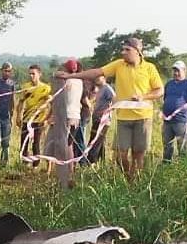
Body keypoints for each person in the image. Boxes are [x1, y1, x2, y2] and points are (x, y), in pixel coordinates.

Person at [57, 37, 163, 179]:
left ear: (138, 51)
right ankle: (129, 178)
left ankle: (134, 185)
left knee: (138, 155)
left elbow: (159, 90)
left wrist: (143, 97)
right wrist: (73, 76)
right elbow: (96, 72)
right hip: (123, 118)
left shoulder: (150, 68)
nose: (123, 52)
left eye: (127, 50)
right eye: (122, 49)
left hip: (143, 118)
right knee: (120, 155)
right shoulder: (119, 65)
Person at [161, 61, 187, 162]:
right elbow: (165, 99)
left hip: (181, 121)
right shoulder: (169, 84)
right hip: (167, 121)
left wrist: (185, 111)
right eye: (174, 71)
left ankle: (184, 167)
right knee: (167, 146)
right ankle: (166, 166)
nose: (175, 73)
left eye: (178, 71)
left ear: (184, 71)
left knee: (183, 147)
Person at [16, 65, 51, 167]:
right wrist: (18, 116)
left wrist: (47, 119)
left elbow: (51, 104)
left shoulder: (46, 88)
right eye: (30, 74)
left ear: (39, 74)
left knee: (36, 143)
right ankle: (24, 162)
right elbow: (21, 102)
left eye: (33, 74)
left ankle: (35, 165)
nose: (31, 76)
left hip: (39, 119)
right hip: (27, 119)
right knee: (24, 142)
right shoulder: (26, 86)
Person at [61, 59, 86, 164]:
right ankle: (71, 168)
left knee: (64, 143)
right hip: (76, 116)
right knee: (70, 143)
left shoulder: (67, 81)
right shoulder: (80, 81)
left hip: (67, 114)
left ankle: (64, 167)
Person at [86, 74, 114, 164]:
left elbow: (115, 99)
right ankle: (101, 162)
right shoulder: (99, 89)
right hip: (96, 118)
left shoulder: (107, 88)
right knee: (99, 141)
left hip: (103, 120)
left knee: (96, 141)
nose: (97, 79)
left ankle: (91, 162)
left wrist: (107, 111)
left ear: (104, 78)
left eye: (99, 77)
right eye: (96, 77)